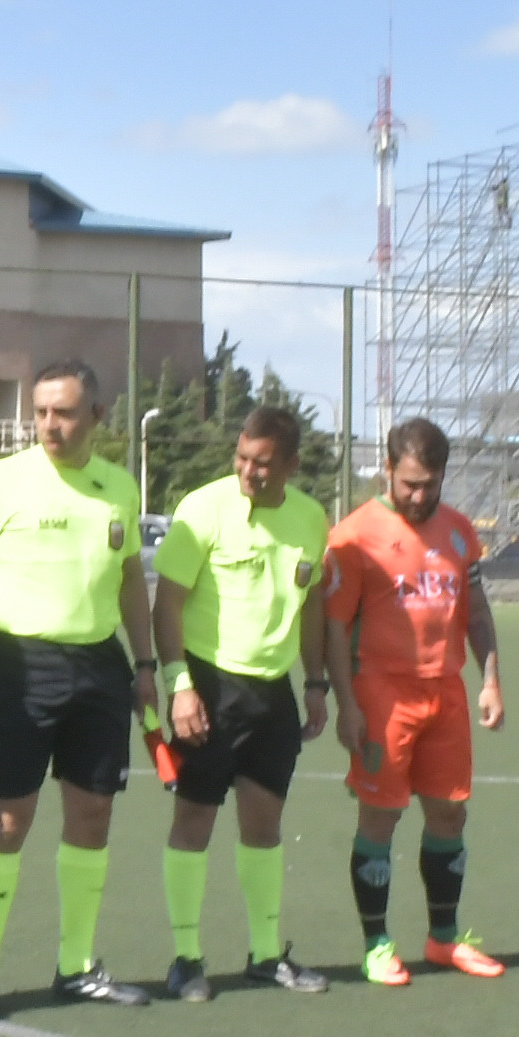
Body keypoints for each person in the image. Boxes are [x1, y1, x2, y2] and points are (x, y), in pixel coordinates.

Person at [0, 358, 156, 1017]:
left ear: (96, 416)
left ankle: (77, 965)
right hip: (17, 665)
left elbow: (128, 580)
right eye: (39, 413)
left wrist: (147, 667)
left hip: (99, 667)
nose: (48, 425)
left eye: (63, 413)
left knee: (93, 815)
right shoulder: (1, 480)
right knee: (9, 819)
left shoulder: (118, 487)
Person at [148, 402, 334, 998]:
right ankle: (185, 958)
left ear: (291, 465)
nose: (249, 471)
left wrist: (314, 684)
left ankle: (265, 953)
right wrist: (179, 685)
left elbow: (312, 608)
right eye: (242, 458)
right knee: (194, 820)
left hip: (272, 695)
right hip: (207, 686)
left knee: (264, 825)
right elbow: (167, 602)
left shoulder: (311, 518)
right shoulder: (203, 508)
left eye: (263, 462)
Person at [325, 419, 504, 985]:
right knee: (381, 816)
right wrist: (345, 705)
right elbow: (332, 628)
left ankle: (443, 938)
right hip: (383, 693)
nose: (419, 496)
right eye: (409, 484)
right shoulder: (354, 536)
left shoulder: (458, 531)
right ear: (387, 471)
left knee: (449, 812)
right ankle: (377, 944)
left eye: (430, 484)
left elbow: (475, 612)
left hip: (445, 693)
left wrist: (491, 679)